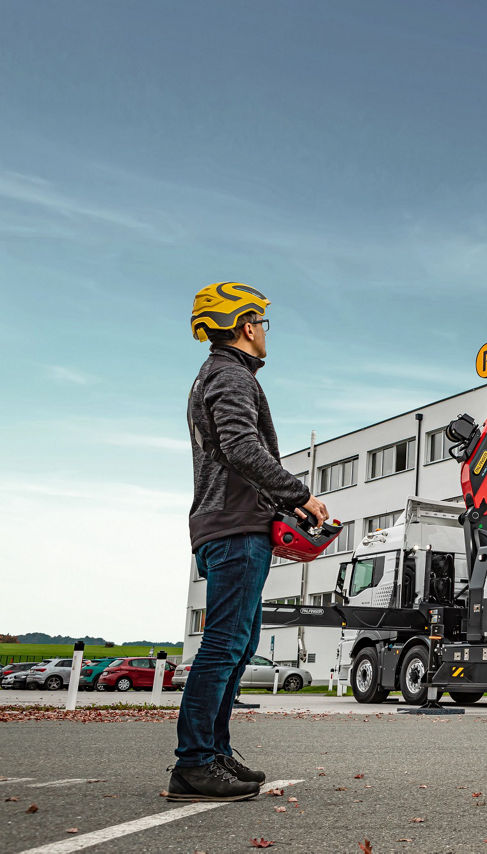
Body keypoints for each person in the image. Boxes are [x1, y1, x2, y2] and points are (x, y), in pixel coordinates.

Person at [170, 282, 328, 802]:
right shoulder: (230, 375)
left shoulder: (215, 376)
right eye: (262, 321)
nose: (264, 331)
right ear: (245, 325)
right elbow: (240, 446)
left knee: (237, 647)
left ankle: (213, 754)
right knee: (223, 646)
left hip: (232, 524)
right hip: (234, 529)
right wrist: (300, 495)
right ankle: (193, 764)